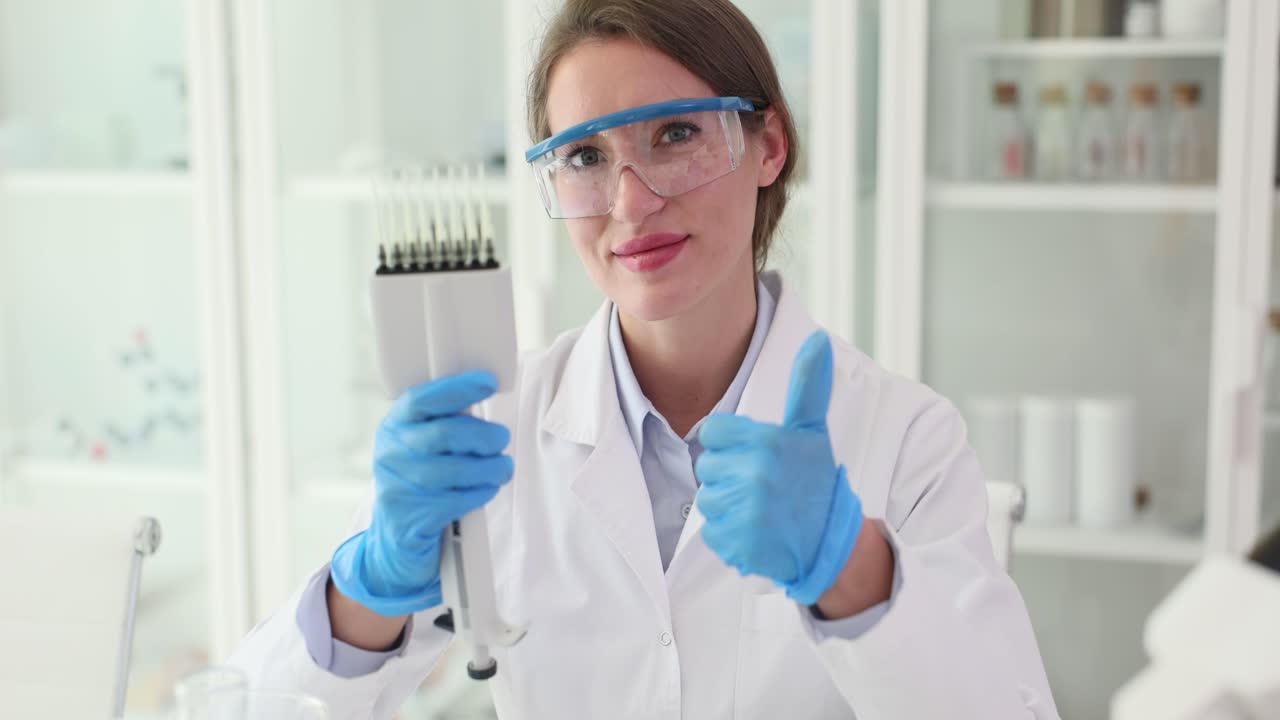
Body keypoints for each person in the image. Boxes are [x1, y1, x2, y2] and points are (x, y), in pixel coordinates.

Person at [230, 1, 1059, 717]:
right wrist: (365, 591)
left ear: (767, 145)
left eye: (675, 136)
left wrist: (854, 575)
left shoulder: (905, 439)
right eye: (587, 157)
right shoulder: (496, 435)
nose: (631, 201)